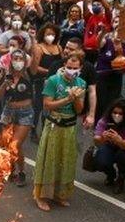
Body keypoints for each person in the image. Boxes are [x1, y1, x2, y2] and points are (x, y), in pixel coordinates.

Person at [33, 55, 86, 211]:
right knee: (49, 160)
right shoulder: (53, 81)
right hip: (54, 126)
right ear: (64, 65)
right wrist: (67, 99)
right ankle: (41, 196)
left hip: (69, 127)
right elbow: (47, 105)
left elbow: (79, 109)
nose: (72, 71)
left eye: (75, 68)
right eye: (69, 67)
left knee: (66, 161)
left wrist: (75, 99)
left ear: (80, 69)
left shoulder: (81, 83)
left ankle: (59, 194)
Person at [0, 50, 33, 187]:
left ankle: (21, 172)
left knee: (15, 145)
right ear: (11, 61)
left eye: (20, 58)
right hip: (8, 111)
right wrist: (4, 85)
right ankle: (11, 170)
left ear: (25, 61)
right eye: (15, 58)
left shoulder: (30, 76)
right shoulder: (6, 76)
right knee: (6, 143)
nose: (18, 61)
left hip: (25, 113)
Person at [92, 99, 125, 194]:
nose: (117, 115)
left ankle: (121, 178)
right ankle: (111, 174)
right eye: (114, 112)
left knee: (124, 157)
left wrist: (119, 140)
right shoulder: (105, 120)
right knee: (100, 161)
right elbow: (96, 139)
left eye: (120, 113)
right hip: (110, 146)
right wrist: (103, 138)